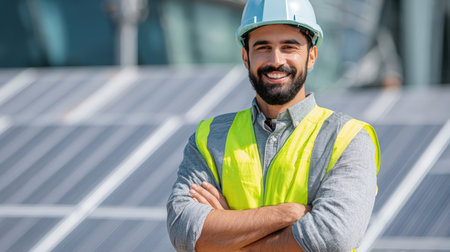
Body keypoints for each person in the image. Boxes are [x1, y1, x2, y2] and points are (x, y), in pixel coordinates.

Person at [167, 0, 380, 251]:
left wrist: (227, 237)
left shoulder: (348, 139)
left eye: (289, 47)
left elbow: (331, 239)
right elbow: (183, 229)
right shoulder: (209, 138)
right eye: (263, 47)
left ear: (311, 56)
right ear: (246, 56)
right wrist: (288, 213)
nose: (276, 60)